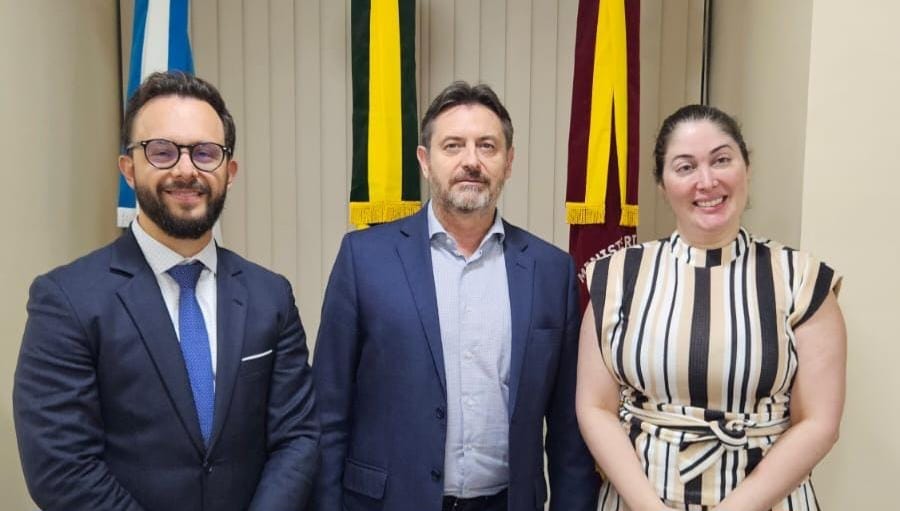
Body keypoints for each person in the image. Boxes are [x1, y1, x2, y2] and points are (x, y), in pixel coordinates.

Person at [13, 71, 319, 511]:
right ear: (128, 169)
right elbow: (61, 467)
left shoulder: (270, 296)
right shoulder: (66, 300)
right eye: (161, 151)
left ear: (229, 171)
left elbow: (298, 437)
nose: (185, 169)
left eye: (205, 153)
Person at [312, 81, 600, 511]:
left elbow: (568, 431)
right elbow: (328, 411)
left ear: (509, 162)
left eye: (487, 146)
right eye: (453, 146)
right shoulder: (364, 258)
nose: (471, 161)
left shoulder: (550, 271)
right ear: (425, 162)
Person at [576, 104, 846, 511]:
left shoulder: (802, 281)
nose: (707, 181)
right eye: (685, 167)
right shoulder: (617, 276)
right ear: (663, 185)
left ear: (746, 168)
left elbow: (819, 423)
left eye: (721, 160)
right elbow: (594, 407)